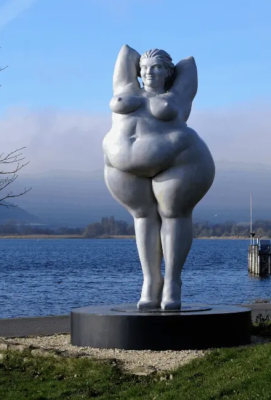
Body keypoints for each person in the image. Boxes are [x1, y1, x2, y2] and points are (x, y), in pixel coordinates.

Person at [103, 45, 215, 310]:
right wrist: (143, 59)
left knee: (173, 214)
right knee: (143, 217)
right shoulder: (125, 88)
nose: (149, 72)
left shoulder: (178, 95)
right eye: (144, 68)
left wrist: (169, 67)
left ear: (168, 72)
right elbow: (125, 52)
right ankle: (151, 281)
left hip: (181, 160)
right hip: (122, 166)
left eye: (156, 68)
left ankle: (173, 282)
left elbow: (189, 65)